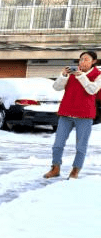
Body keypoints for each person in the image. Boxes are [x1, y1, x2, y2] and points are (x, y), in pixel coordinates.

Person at [43, 51, 101, 180]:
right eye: (80, 59)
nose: (82, 62)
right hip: (66, 113)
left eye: (86, 59)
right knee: (58, 144)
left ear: (94, 61)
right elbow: (56, 87)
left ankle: (75, 170)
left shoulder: (98, 75)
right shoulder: (71, 73)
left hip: (85, 116)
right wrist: (63, 76)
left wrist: (81, 76)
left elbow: (92, 90)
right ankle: (55, 168)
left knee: (81, 146)